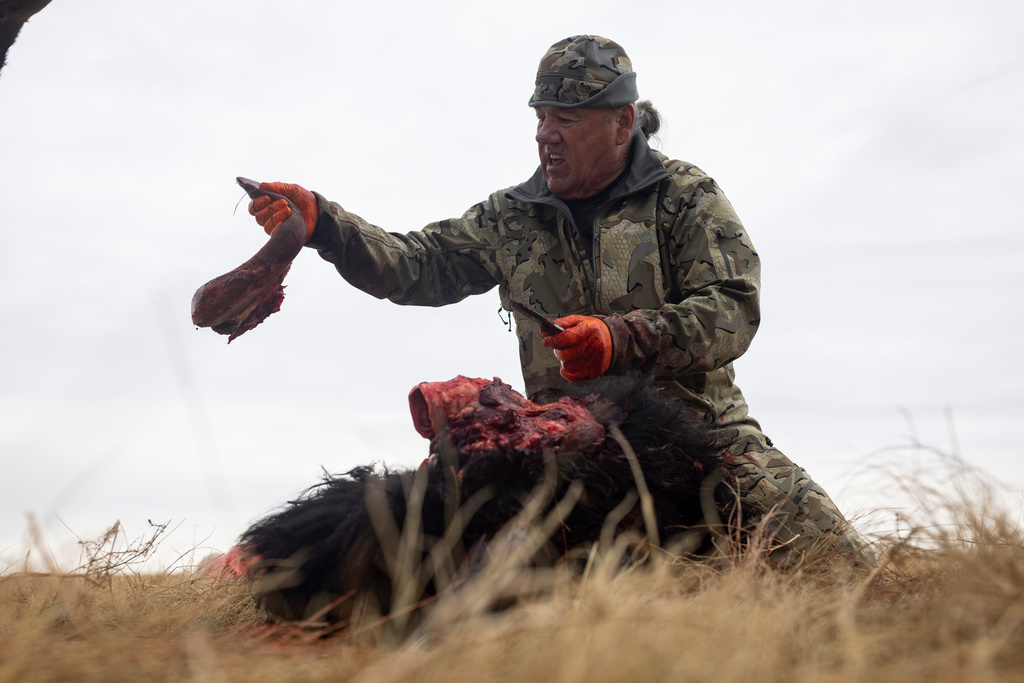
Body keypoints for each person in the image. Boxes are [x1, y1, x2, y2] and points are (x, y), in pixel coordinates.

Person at [248, 35, 877, 571]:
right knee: (438, 561)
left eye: (567, 121)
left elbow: (734, 309)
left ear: (623, 121)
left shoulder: (686, 196)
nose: (547, 135)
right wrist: (324, 224)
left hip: (701, 438)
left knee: (844, 571)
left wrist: (620, 338)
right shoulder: (508, 216)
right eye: (541, 117)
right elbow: (417, 268)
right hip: (562, 449)